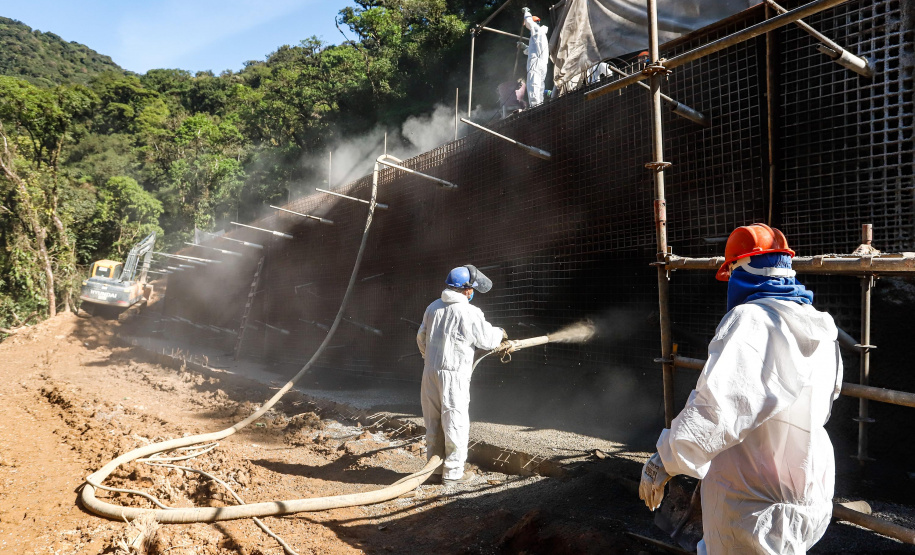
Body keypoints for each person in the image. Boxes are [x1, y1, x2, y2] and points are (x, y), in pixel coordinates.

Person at [639, 223, 843, 554]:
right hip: (807, 495)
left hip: (752, 504)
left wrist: (665, 458)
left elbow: (717, 407)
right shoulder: (819, 326)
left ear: (740, 268)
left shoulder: (751, 319)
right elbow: (824, 403)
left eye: (731, 269)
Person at [417, 265, 510, 484]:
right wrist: (500, 333)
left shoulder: (433, 307)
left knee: (433, 422)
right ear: (466, 289)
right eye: (471, 289)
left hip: (429, 373)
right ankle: (453, 474)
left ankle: (434, 471)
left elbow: (421, 338)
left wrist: (429, 359)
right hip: (454, 375)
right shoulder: (469, 311)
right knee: (455, 423)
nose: (472, 293)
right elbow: (486, 340)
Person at [522, 7, 549, 107]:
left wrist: (526, 12)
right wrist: (524, 47)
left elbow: (529, 22)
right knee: (540, 86)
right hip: (542, 63)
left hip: (536, 64)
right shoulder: (539, 36)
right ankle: (540, 105)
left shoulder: (537, 30)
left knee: (533, 84)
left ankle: (534, 107)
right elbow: (533, 50)